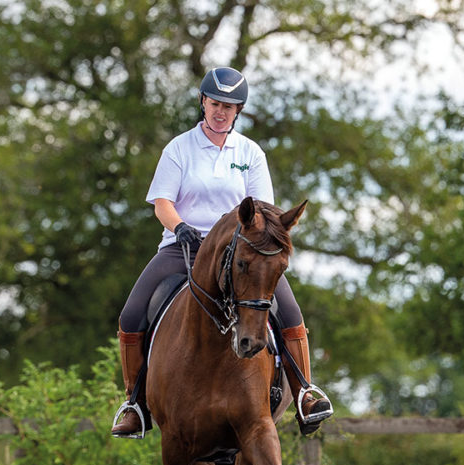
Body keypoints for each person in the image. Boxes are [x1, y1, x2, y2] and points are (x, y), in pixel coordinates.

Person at [112, 66, 332, 438]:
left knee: (290, 311)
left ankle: (304, 394)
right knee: (131, 315)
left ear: (238, 112)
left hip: (240, 254)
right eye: (215, 103)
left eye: (229, 107)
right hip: (183, 246)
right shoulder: (179, 148)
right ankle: (135, 404)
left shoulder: (250, 152)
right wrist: (179, 226)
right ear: (203, 102)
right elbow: (161, 202)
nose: (220, 112)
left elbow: (264, 212)